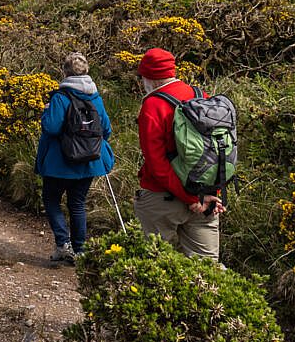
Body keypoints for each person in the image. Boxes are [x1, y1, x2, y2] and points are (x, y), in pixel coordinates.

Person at [134, 47, 224, 262]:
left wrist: (189, 198)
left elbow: (157, 164)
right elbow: (218, 151)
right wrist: (210, 195)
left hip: (162, 199)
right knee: (207, 271)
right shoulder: (202, 96)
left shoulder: (153, 105)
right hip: (206, 198)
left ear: (150, 77)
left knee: (153, 264)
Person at [35, 52, 115, 264]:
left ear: (65, 72)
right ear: (86, 71)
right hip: (90, 161)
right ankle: (80, 250)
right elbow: (106, 130)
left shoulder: (60, 97)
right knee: (77, 203)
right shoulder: (96, 98)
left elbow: (51, 128)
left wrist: (45, 113)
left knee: (51, 199)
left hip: (60, 162)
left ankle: (63, 244)